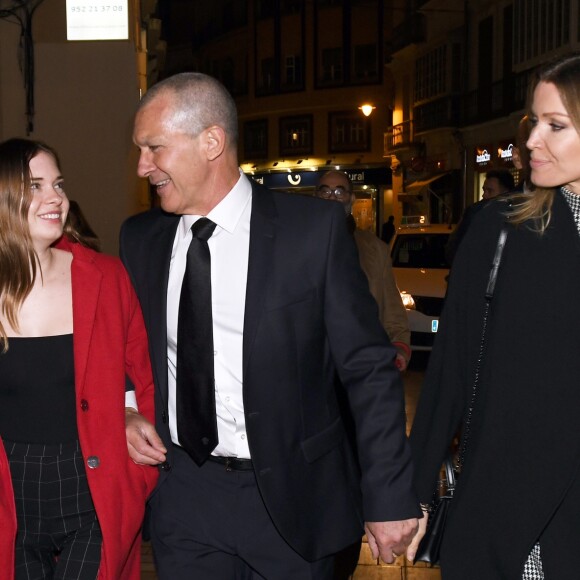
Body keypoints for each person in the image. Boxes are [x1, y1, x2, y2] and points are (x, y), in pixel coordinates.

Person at [120, 72, 420, 579]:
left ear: (211, 141)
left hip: (293, 499)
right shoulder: (141, 239)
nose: (143, 166)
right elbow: (123, 346)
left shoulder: (312, 233)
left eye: (154, 148)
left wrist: (389, 494)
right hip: (186, 497)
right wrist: (127, 408)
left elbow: (368, 370)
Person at [406, 51, 580, 579]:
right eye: (534, 122)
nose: (531, 141)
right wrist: (412, 492)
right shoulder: (502, 230)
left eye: (556, 125)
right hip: (514, 507)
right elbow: (452, 370)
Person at [0, 138, 158, 579]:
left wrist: (127, 418)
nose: (55, 198)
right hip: (9, 500)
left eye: (58, 183)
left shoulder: (105, 278)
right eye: (35, 186)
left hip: (90, 489)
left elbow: (134, 372)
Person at [315, 170, 411, 371]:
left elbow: (392, 309)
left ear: (351, 199)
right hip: (312, 365)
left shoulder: (375, 249)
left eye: (339, 192)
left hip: (360, 363)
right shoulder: (296, 245)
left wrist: (399, 346)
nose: (333, 198)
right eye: (326, 192)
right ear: (316, 197)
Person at [446, 168, 516, 264]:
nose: (484, 195)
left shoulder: (517, 218)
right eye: (484, 190)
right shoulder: (476, 214)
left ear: (505, 193)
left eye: (490, 191)